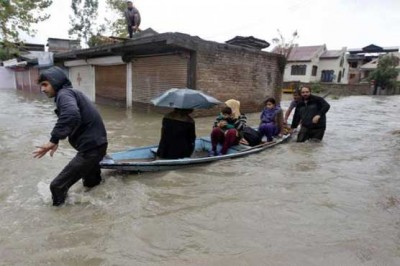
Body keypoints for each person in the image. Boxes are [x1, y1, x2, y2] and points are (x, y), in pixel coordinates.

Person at [33, 66, 108, 206]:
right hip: (97, 146)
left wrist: (53, 140)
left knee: (57, 186)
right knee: (91, 185)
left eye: (45, 84)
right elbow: (74, 119)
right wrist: (57, 141)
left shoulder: (64, 94)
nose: (42, 89)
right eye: (41, 85)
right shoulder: (71, 93)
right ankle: (97, 213)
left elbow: (72, 115)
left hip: (90, 149)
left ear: (55, 82)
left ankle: (60, 220)